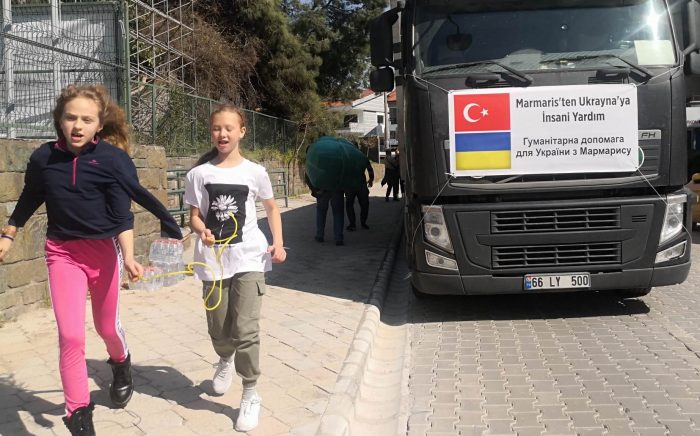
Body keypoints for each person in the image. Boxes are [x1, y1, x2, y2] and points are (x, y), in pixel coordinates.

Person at [0, 84, 183, 436]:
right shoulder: (44, 158)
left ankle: (121, 363)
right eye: (71, 118)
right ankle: (79, 414)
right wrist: (9, 233)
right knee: (70, 336)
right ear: (60, 120)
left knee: (106, 327)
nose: (78, 126)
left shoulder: (113, 161)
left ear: (99, 124)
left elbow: (124, 213)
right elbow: (30, 196)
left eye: (87, 119)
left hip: (103, 253)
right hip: (62, 253)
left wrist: (129, 257)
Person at [184, 104, 286, 433]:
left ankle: (250, 392)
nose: (222, 134)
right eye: (217, 128)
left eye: (229, 128)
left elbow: (271, 208)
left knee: (245, 329)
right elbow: (194, 216)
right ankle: (224, 358)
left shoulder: (255, 172)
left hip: (250, 257)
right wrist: (202, 230)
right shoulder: (198, 175)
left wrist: (278, 243)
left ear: (242, 131)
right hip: (213, 261)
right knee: (219, 329)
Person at [305, 174, 345, 245]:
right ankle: (339, 238)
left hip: (321, 188)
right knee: (338, 212)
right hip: (337, 187)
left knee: (321, 212)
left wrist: (314, 189)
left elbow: (308, 173)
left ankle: (320, 235)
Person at [345, 159, 374, 231]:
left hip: (350, 184)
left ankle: (352, 224)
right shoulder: (362, 157)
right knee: (365, 204)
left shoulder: (347, 156)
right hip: (361, 184)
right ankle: (363, 222)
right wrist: (371, 179)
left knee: (349, 204)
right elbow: (370, 169)